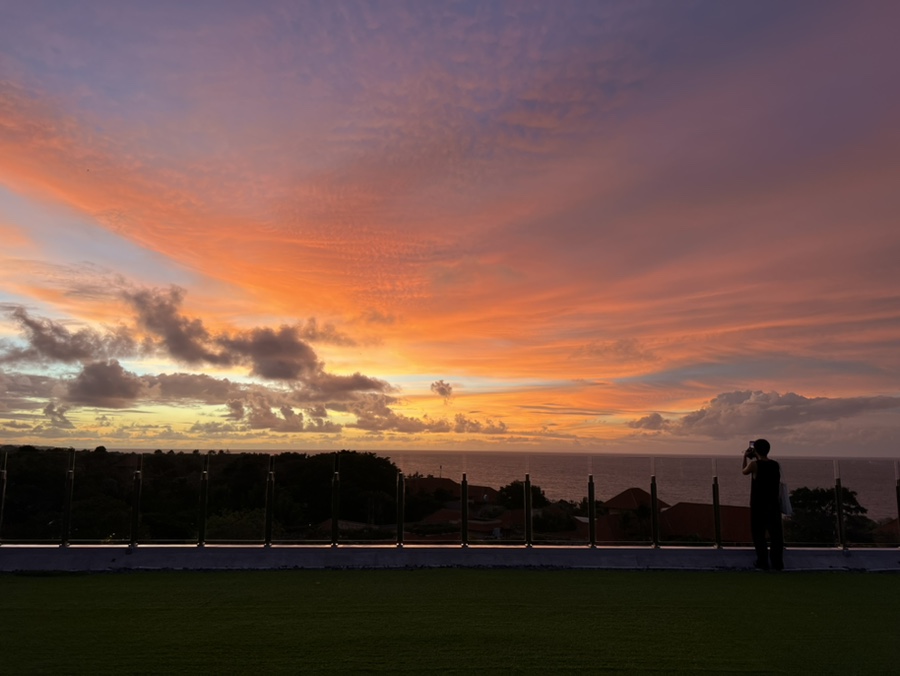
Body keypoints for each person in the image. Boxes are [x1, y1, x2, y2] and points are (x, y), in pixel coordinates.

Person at [742, 438, 784, 570]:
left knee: (758, 533)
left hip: (758, 504)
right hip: (773, 503)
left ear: (755, 450)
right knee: (776, 534)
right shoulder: (775, 465)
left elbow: (744, 471)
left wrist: (745, 457)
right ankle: (777, 562)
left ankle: (762, 561)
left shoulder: (755, 465)